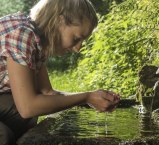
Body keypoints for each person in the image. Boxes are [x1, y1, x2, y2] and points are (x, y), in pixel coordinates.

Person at [0, 0, 120, 144]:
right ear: (59, 21)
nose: (78, 48)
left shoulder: (37, 41)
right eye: (76, 38)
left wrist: (93, 97)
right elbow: (28, 107)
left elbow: (48, 93)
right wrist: (86, 97)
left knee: (28, 115)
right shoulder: (22, 35)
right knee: (4, 134)